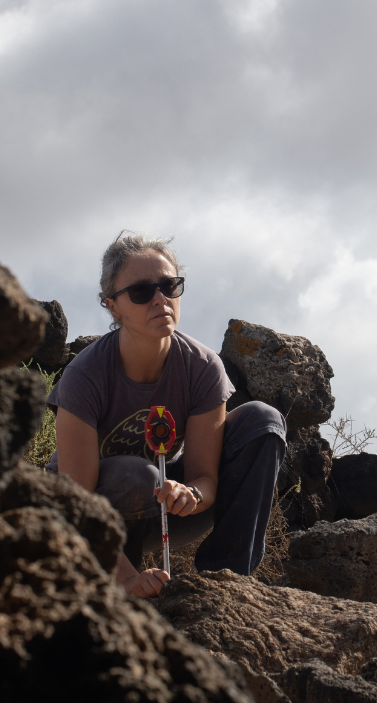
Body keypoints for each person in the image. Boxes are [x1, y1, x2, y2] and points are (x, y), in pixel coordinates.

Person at [49, 232, 286, 597]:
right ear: (113, 306)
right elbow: (76, 502)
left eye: (169, 286)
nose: (160, 299)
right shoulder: (84, 377)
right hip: (79, 520)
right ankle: (114, 589)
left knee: (263, 420)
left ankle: (226, 584)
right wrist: (126, 579)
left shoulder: (203, 367)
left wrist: (190, 493)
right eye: (142, 292)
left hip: (161, 506)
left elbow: (204, 479)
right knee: (136, 474)